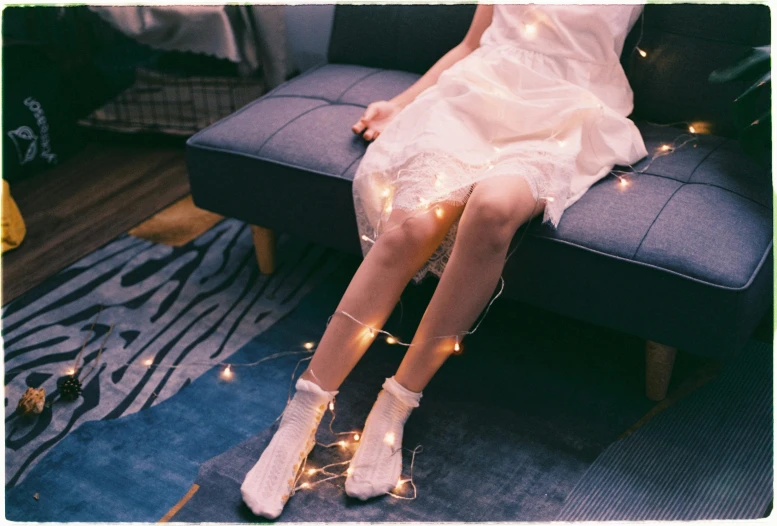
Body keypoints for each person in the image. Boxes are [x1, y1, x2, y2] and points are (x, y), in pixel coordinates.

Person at [241, 3, 648, 518]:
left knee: (494, 209)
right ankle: (301, 413)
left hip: (569, 109)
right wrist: (403, 103)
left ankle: (395, 405)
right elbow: (470, 43)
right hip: (478, 92)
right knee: (412, 225)